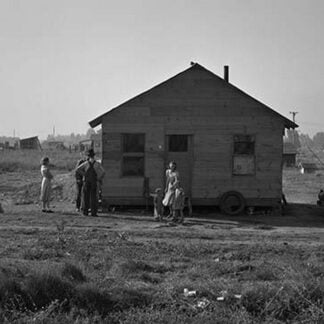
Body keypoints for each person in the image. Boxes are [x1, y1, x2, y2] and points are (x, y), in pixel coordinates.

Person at [75, 149, 105, 216]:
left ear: (88, 156)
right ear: (94, 156)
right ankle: (93, 212)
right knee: (94, 197)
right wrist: (98, 177)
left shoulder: (86, 163)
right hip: (94, 182)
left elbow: (77, 169)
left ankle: (85, 212)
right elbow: (103, 172)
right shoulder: (97, 164)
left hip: (86, 181)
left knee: (86, 197)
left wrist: (84, 174)